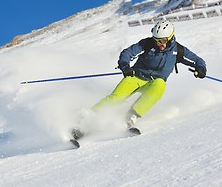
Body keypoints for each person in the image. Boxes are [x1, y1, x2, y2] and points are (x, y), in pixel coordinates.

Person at [72, 20, 206, 140]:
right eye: (157, 40)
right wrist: (125, 65)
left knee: (160, 85)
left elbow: (198, 61)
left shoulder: (179, 51)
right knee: (116, 98)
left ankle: (129, 119)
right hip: (136, 77)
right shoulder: (147, 44)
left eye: (163, 40)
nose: (160, 44)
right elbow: (128, 52)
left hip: (154, 82)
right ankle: (84, 120)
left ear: (171, 38)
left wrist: (200, 69)